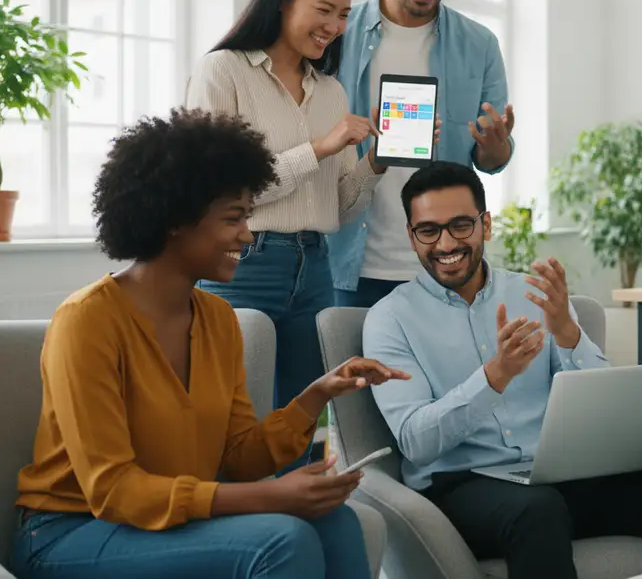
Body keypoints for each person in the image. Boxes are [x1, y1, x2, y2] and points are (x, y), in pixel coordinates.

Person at [9, 110, 409, 579]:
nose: (247, 234)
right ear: (176, 219)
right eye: (234, 219)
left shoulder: (218, 320)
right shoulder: (87, 322)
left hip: (165, 524)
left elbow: (238, 457)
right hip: (72, 531)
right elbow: (114, 490)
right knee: (283, 540)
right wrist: (269, 497)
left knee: (333, 521)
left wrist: (314, 395)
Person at [363, 161, 642, 578]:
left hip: (557, 474)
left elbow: (600, 403)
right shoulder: (389, 319)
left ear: (486, 225)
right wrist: (495, 377)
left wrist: (567, 333)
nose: (446, 242)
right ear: (411, 237)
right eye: (428, 230)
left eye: (461, 225)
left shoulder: (534, 293)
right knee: (537, 510)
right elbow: (415, 441)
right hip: (460, 485)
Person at [184, 0, 393, 469]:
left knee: (307, 423)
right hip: (242, 265)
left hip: (315, 265)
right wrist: (319, 148)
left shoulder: (332, 93)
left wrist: (376, 163)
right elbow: (219, 193)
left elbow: (340, 206)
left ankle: (302, 523)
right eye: (324, 10)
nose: (335, 25)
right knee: (233, 421)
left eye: (344, 14)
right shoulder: (223, 72)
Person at [328, 0, 515, 309]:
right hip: (350, 265)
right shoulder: (339, 34)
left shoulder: (480, 45)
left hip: (444, 266)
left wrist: (496, 145)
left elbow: (492, 159)